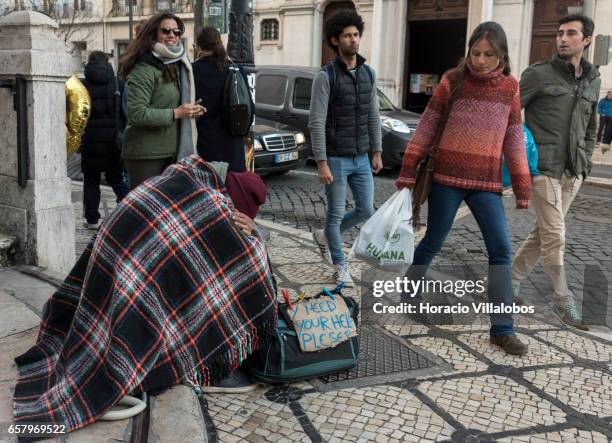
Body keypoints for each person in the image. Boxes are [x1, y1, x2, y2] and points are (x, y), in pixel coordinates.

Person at [13, 155, 277, 434]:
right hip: (130, 270)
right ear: (238, 208)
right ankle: (203, 359)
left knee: (187, 271)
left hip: (112, 261)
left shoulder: (189, 174)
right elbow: (251, 261)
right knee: (239, 265)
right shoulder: (212, 205)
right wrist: (255, 235)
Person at [397, 22, 531, 355]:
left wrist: (521, 182)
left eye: (489, 54)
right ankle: (409, 290)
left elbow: (514, 136)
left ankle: (502, 328)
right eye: (476, 53)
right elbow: (427, 125)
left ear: (501, 55)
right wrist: (408, 170)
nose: (481, 60)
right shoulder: (452, 81)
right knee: (432, 241)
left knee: (501, 249)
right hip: (447, 180)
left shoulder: (510, 88)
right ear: (468, 51)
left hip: (485, 184)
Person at [511, 14, 601, 330]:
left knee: (544, 232)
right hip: (543, 167)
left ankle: (510, 282)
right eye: (560, 32)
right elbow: (509, 111)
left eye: (571, 33)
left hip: (573, 169)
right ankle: (563, 303)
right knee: (555, 235)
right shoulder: (538, 74)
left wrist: (586, 160)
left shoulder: (593, 79)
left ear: (586, 40)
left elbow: (592, 124)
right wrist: (518, 153)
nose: (562, 38)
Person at [308, 10, 383, 288]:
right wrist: (321, 161)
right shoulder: (326, 77)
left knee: (366, 209)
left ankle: (328, 235)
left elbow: (373, 114)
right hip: (336, 159)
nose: (353, 40)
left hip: (362, 156)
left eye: (356, 34)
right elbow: (316, 121)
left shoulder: (368, 73)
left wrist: (377, 151)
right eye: (347, 35)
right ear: (335, 40)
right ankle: (340, 266)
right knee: (335, 214)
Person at [119, 12, 206, 189]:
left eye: (177, 31)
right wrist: (177, 113)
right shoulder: (143, 67)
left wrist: (190, 111)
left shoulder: (176, 64)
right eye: (166, 31)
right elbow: (136, 113)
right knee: (146, 213)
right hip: (146, 154)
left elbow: (170, 104)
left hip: (173, 151)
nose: (172, 35)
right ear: (153, 33)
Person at [192, 26, 254, 172]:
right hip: (233, 148)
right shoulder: (235, 69)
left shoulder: (192, 70)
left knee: (207, 192)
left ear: (199, 47)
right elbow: (250, 109)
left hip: (203, 147)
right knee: (231, 192)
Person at [80, 51, 129, 229]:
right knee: (116, 178)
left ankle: (92, 219)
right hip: (113, 141)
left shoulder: (81, 86)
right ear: (107, 62)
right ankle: (130, 211)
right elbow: (127, 114)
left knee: (91, 180)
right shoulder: (120, 84)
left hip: (90, 140)